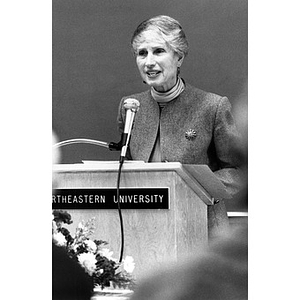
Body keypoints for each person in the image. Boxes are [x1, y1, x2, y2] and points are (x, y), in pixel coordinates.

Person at [117, 15, 245, 236]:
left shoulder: (212, 106)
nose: (148, 62)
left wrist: (194, 185)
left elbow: (239, 171)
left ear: (179, 57)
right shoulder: (130, 107)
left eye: (158, 51)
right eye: (141, 53)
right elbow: (126, 170)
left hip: (201, 228)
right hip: (144, 230)